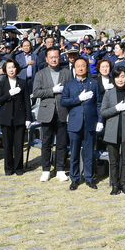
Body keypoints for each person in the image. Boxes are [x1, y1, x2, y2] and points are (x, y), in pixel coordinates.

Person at [60, 57, 103, 190]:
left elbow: (99, 103)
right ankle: (74, 178)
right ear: (74, 68)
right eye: (78, 66)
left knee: (89, 152)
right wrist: (77, 99)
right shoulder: (69, 84)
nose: (80, 68)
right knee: (74, 152)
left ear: (86, 68)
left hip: (90, 121)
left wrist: (100, 121)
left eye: (83, 66)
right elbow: (63, 101)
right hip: (74, 122)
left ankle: (89, 178)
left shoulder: (94, 83)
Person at [32, 47, 73, 182]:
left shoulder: (66, 73)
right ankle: (45, 169)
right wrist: (52, 90)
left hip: (62, 111)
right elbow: (36, 92)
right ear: (46, 59)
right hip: (47, 112)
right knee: (46, 143)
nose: (54, 59)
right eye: (51, 57)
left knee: (61, 143)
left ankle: (60, 169)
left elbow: (71, 92)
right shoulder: (41, 74)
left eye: (56, 57)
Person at [100, 65, 125, 195]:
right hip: (112, 131)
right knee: (114, 161)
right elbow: (103, 112)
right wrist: (116, 108)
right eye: (117, 77)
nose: (120, 79)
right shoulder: (108, 94)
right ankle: (115, 185)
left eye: (122, 76)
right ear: (114, 78)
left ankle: (124, 183)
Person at [0, 59, 32, 176]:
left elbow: (27, 101)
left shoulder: (22, 82)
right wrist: (9, 94)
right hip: (6, 117)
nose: (11, 70)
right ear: (5, 70)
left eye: (13, 67)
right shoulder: (2, 82)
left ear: (17, 68)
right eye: (9, 67)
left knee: (19, 144)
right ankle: (8, 168)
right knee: (7, 145)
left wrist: (28, 118)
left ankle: (19, 168)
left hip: (19, 117)